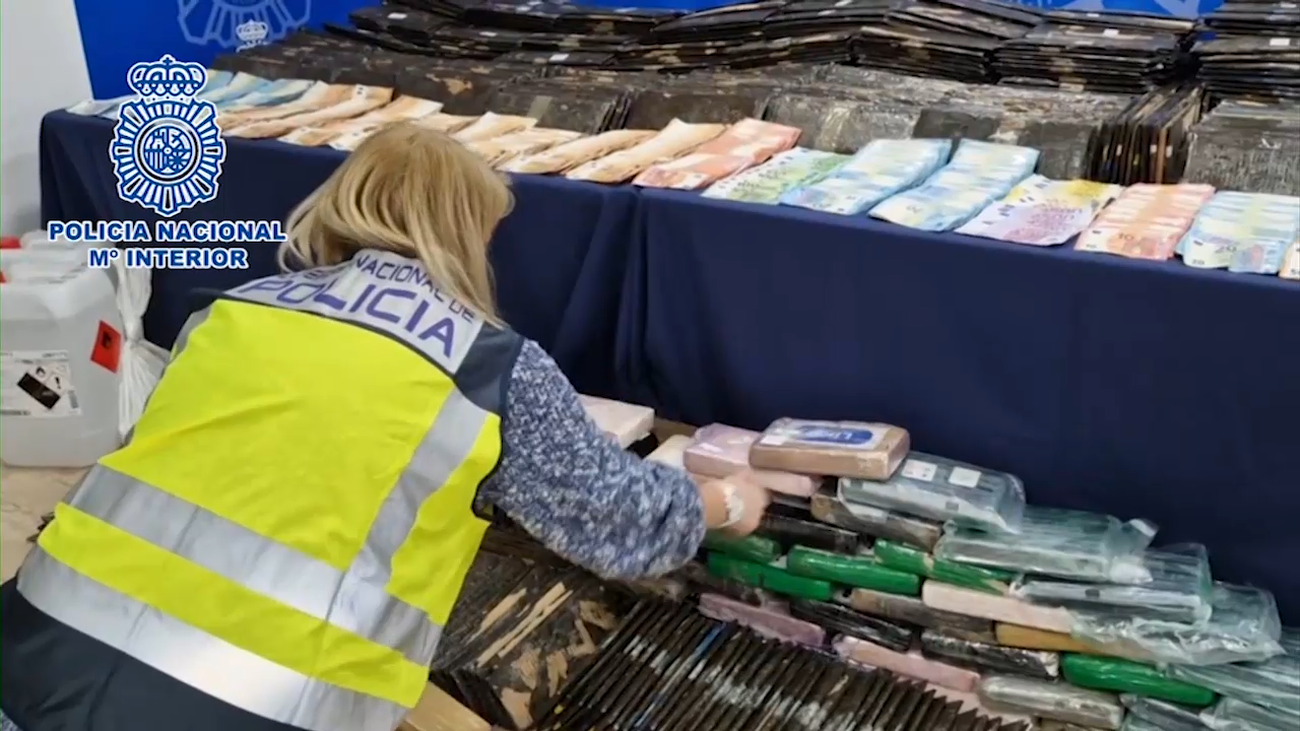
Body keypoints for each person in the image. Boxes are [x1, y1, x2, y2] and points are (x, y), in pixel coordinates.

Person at [0, 123, 770, 731]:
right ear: (470, 233)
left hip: (34, 641)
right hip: (250, 702)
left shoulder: (236, 307)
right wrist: (724, 502)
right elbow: (615, 522)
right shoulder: (491, 365)